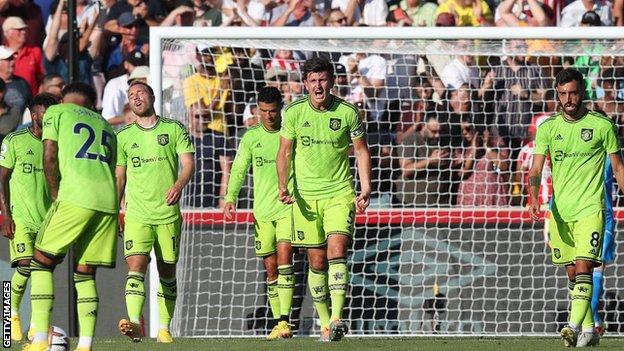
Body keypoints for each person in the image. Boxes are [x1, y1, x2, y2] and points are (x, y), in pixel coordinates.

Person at [276, 56, 371, 342]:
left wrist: (365, 187)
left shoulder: (348, 112)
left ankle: (338, 315)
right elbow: (284, 153)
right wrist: (283, 185)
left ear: (332, 81)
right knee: (316, 262)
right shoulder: (293, 112)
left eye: (323, 79)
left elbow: (362, 150)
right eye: (313, 80)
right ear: (305, 83)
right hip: (304, 198)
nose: (318, 86)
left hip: (339, 194)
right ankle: (325, 323)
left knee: (337, 250)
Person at [529, 68, 624, 347]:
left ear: (582, 92)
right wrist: (533, 197)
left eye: (572, 93)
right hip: (560, 211)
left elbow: (618, 168)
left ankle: (571, 327)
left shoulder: (602, 126)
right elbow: (536, 167)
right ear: (557, 95)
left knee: (585, 267)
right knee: (572, 272)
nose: (568, 99)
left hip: (591, 209)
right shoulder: (547, 128)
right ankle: (590, 326)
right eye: (562, 94)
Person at [26, 82, 118, 351]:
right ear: (91, 102)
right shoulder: (106, 125)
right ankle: (86, 345)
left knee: (41, 263)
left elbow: (50, 154)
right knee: (85, 273)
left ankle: (40, 340)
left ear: (63, 97)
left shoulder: (58, 112)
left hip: (76, 196)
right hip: (108, 202)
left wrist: (55, 193)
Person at [116, 81, 195, 343]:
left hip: (167, 215)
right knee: (136, 266)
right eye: (131, 95)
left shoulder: (173, 129)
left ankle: (164, 328)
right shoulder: (124, 136)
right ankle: (135, 323)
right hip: (137, 214)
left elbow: (187, 164)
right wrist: (117, 210)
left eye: (140, 93)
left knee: (167, 272)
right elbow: (120, 177)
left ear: (151, 96)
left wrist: (178, 184)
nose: (136, 98)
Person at [223, 86, 295, 340]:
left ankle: (285, 320)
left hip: (288, 207)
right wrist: (230, 197)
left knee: (285, 258)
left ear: (280, 109)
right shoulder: (251, 136)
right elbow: (240, 167)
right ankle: (278, 322)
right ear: (257, 110)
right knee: (271, 268)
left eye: (273, 111)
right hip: (262, 211)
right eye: (263, 111)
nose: (268, 116)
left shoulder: (290, 133)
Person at [0, 93, 57, 342]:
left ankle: (37, 325)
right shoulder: (15, 141)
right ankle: (9, 316)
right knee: (25, 266)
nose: (52, 118)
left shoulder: (58, 144)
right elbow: (1, 178)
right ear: (34, 116)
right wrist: (6, 215)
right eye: (47, 114)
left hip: (49, 219)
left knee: (42, 271)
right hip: (21, 217)